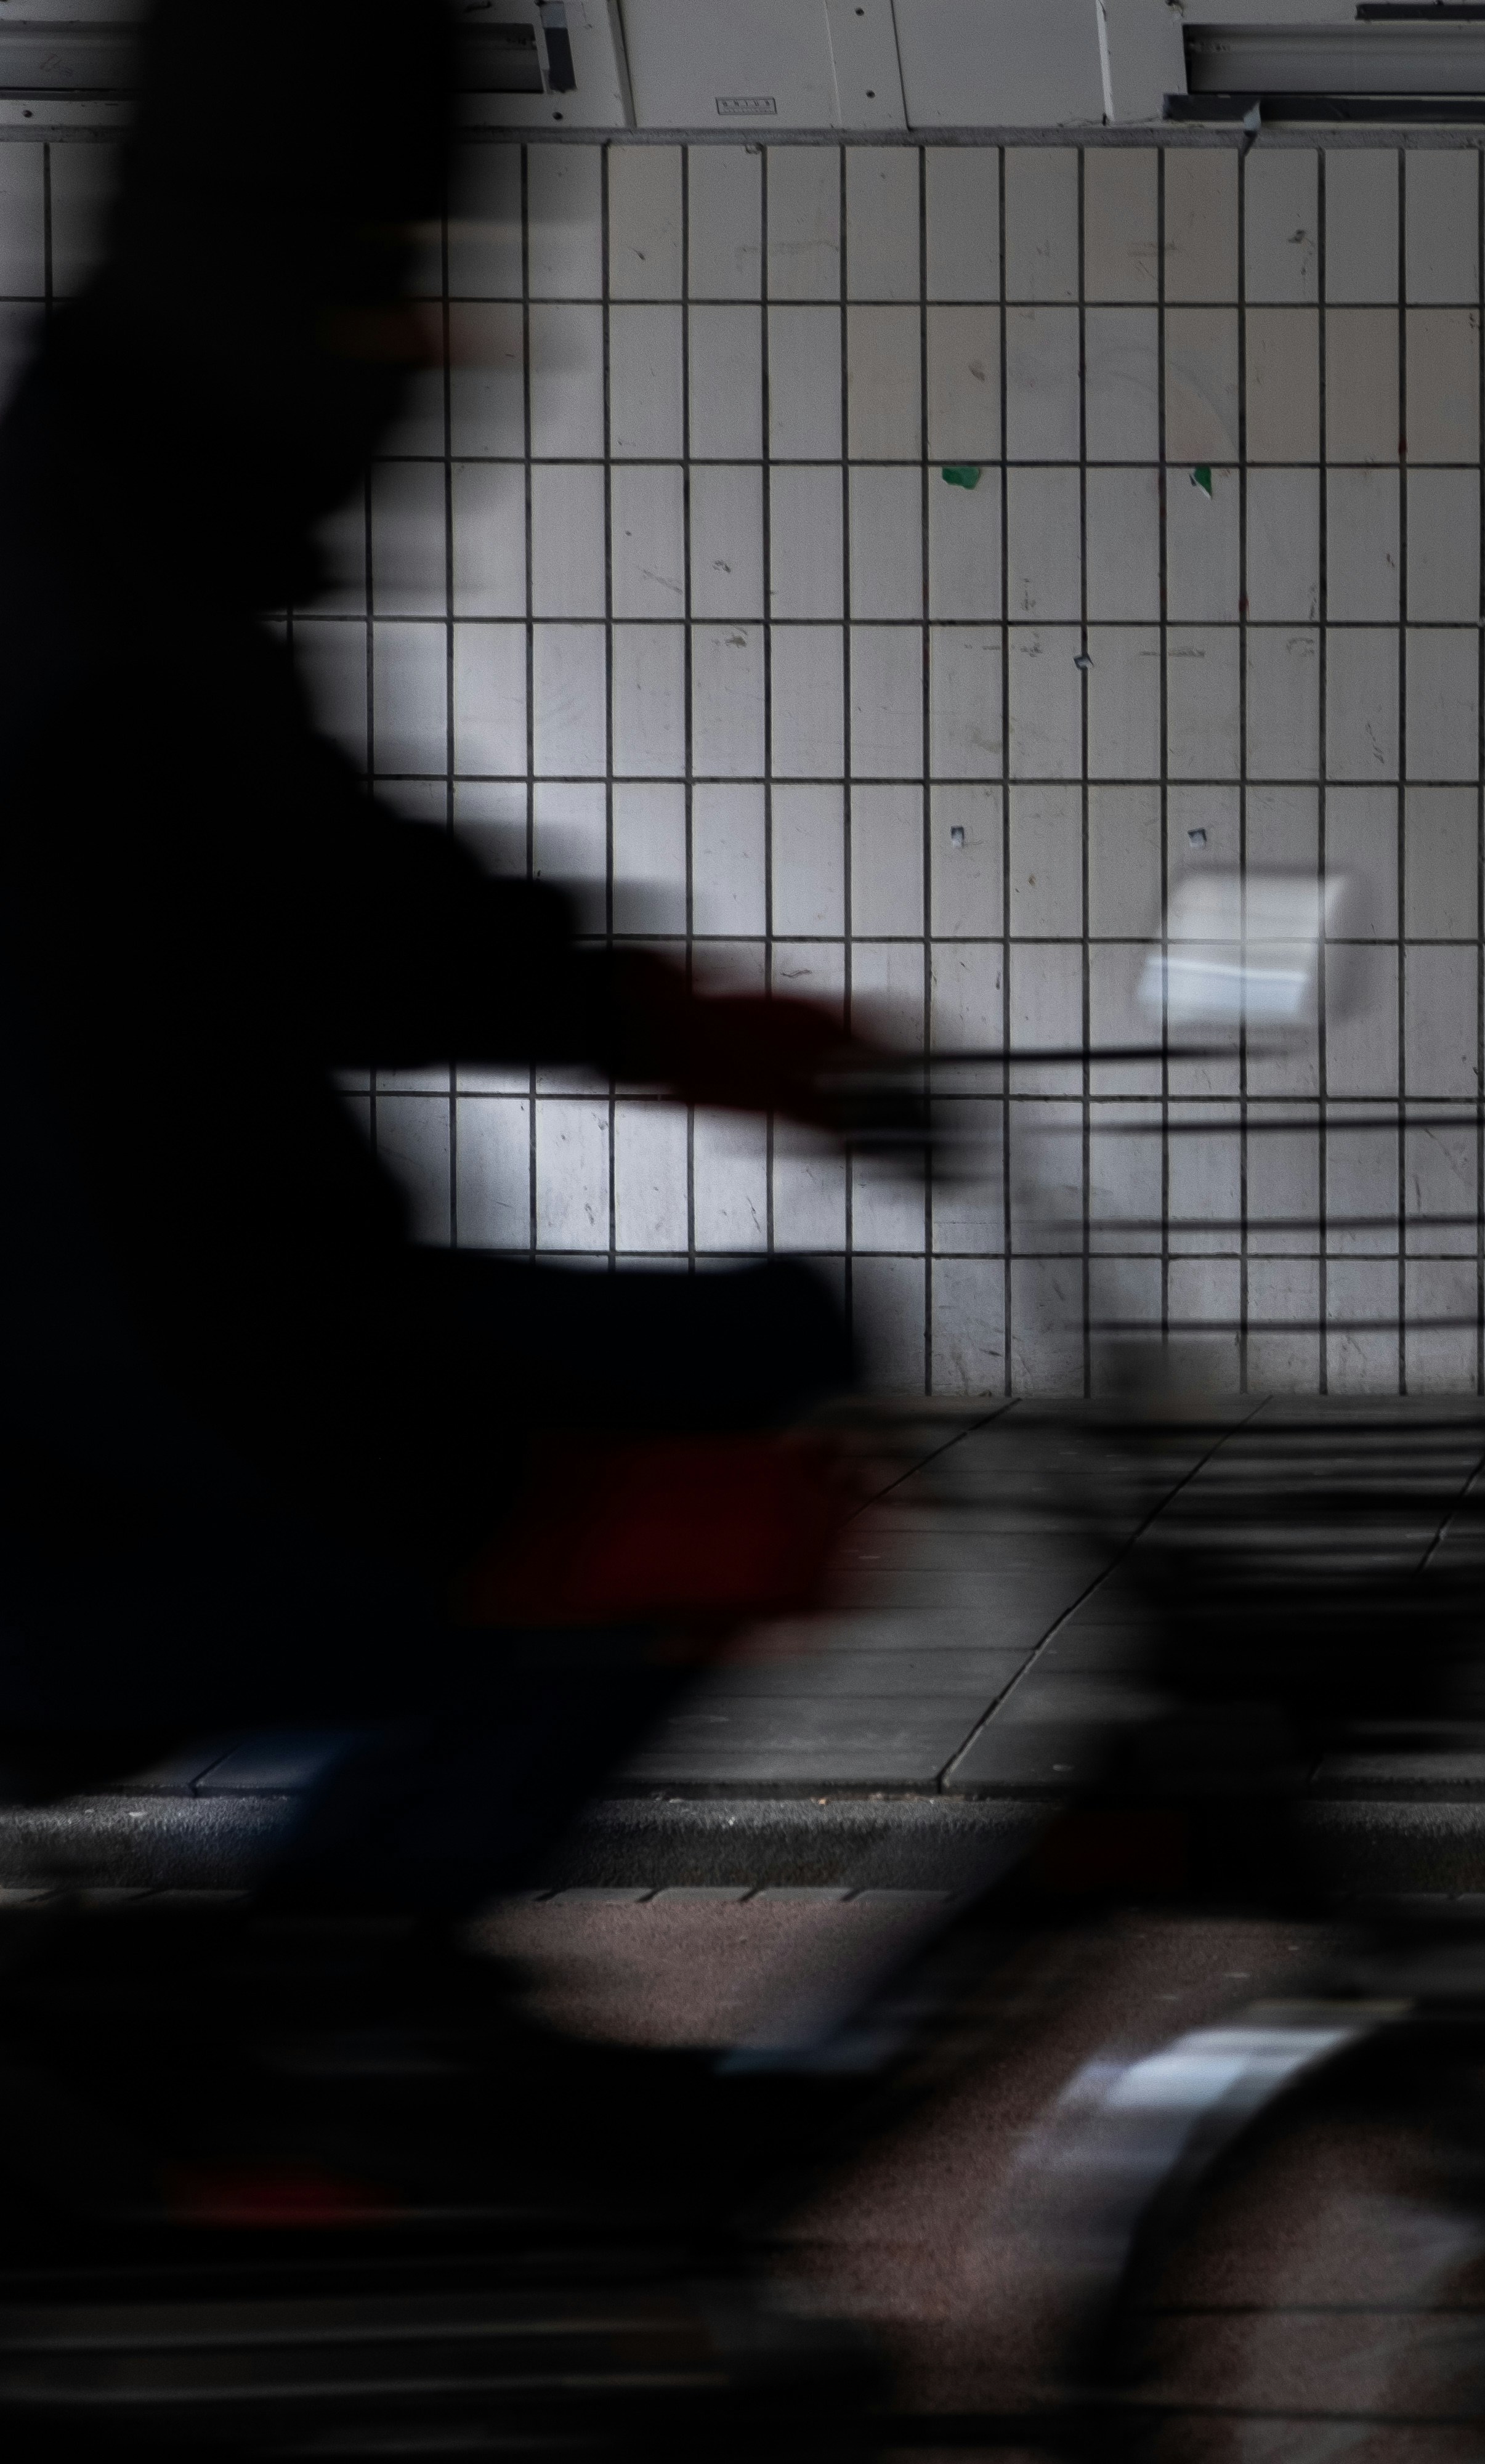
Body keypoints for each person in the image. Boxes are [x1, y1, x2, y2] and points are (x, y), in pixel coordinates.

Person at [0, 0, 902, 2232]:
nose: (437, 343)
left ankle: (335, 1966)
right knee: (663, 1490)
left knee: (775, 1334)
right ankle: (326, 2032)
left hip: (177, 1355)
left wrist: (664, 1017)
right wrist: (527, 1517)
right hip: (60, 1481)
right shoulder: (84, 638)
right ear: (239, 267)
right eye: (378, 277)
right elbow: (114, 1258)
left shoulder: (135, 545)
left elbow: (312, 892)